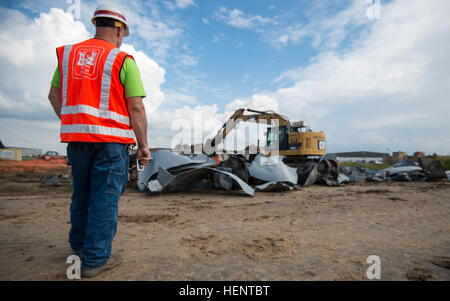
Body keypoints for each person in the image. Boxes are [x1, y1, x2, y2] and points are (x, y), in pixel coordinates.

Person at [48, 4, 151, 278]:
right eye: (123, 34)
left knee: (81, 195)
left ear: (96, 24)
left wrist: (73, 121)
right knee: (104, 200)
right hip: (110, 143)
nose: (122, 39)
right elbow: (136, 108)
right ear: (118, 29)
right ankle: (94, 260)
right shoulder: (121, 60)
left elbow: (53, 95)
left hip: (78, 141)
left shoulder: (68, 56)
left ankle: (79, 250)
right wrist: (143, 146)